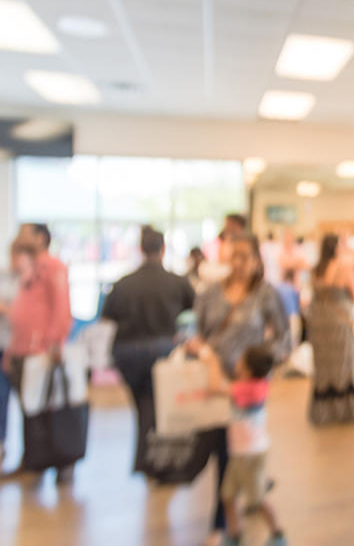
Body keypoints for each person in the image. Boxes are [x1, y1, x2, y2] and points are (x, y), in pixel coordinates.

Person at [195, 233, 289, 544]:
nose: (239, 264)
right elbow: (195, 330)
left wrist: (263, 365)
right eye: (235, 256)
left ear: (256, 261)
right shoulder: (211, 293)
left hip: (244, 389)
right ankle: (228, 519)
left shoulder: (264, 294)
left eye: (246, 257)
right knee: (218, 450)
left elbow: (282, 336)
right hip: (211, 379)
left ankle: (221, 524)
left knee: (230, 451)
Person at [102, 226, 195, 474]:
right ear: (163, 249)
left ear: (141, 249)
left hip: (127, 352)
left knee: (144, 405)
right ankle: (155, 461)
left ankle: (147, 459)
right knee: (157, 405)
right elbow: (195, 309)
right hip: (163, 350)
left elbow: (106, 318)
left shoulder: (123, 284)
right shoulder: (177, 282)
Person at [197, 343, 286, 546]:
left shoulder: (249, 390)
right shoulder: (257, 384)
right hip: (239, 453)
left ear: (247, 369)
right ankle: (236, 535)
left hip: (251, 456)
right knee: (228, 495)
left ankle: (278, 534)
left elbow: (214, 387)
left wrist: (212, 360)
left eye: (240, 360)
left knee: (258, 499)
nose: (236, 362)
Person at [3, 238, 74, 481]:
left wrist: (54, 342)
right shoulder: (27, 275)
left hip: (41, 352)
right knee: (30, 410)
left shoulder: (52, 268)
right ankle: (34, 460)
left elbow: (61, 309)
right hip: (23, 351)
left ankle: (62, 460)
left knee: (50, 408)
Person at [307, 234, 354, 425]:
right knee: (343, 365)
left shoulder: (316, 270)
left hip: (319, 322)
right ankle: (343, 412)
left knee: (323, 367)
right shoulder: (343, 267)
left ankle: (323, 414)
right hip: (339, 321)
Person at [0, 245, 21, 466]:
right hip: (3, 343)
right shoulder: (4, 276)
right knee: (2, 395)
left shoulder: (29, 281)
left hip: (20, 347)